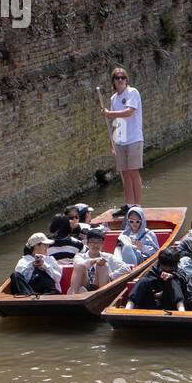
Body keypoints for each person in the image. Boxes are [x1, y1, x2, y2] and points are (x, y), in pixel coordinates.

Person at [103, 66, 143, 212]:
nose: (120, 80)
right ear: (113, 81)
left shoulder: (132, 92)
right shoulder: (114, 98)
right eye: (117, 78)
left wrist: (110, 113)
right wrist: (113, 143)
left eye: (122, 78)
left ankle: (138, 207)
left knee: (133, 172)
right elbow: (116, 124)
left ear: (126, 80)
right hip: (121, 139)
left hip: (134, 138)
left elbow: (129, 112)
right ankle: (129, 205)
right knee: (125, 174)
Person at [67, 225, 130, 294]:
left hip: (101, 286)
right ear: (87, 244)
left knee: (102, 266)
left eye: (99, 242)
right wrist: (94, 260)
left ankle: (101, 297)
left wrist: (110, 276)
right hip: (85, 285)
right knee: (79, 266)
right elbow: (80, 264)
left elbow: (126, 268)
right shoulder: (80, 256)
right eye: (93, 242)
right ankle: (73, 296)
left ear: (102, 244)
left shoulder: (108, 257)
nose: (96, 245)